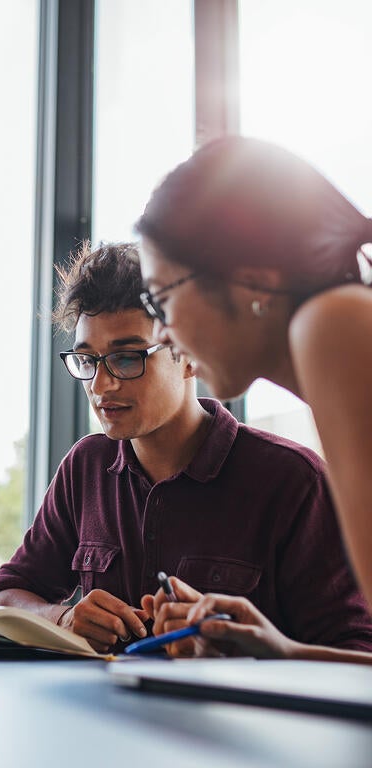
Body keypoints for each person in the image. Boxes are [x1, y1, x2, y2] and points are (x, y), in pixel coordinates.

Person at [0, 241, 372, 658]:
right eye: (88, 360)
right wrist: (62, 618)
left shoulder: (293, 480)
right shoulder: (86, 466)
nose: (100, 386)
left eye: (127, 358)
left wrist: (244, 653)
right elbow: (7, 595)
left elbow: (358, 654)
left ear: (186, 353)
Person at [136, 135, 372, 661]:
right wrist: (283, 652)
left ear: (253, 281)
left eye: (162, 299)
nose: (159, 333)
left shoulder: (334, 324)